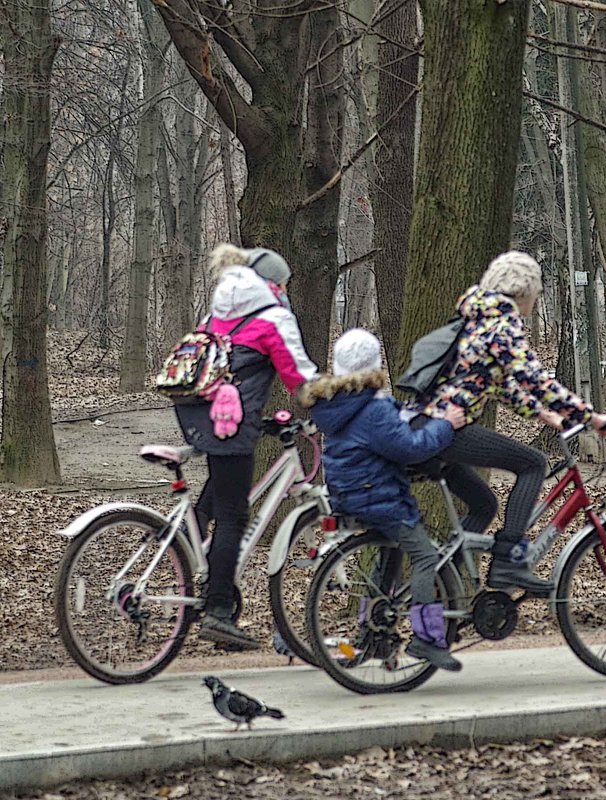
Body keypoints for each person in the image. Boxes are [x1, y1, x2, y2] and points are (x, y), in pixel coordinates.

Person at [413, 251, 606, 597]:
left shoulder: (479, 318)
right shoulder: (502, 324)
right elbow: (534, 378)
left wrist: (542, 413)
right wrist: (590, 417)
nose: (535, 302)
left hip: (427, 425)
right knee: (533, 462)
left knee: (484, 506)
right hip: (447, 430)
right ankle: (509, 559)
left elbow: (495, 382)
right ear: (524, 292)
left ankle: (438, 587)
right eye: (536, 294)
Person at [175, 244, 318, 650]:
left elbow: (227, 368)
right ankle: (218, 610)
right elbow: (301, 380)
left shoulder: (218, 313)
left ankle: (190, 570)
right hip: (230, 426)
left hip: (198, 416)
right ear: (275, 283)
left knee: (213, 502)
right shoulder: (273, 318)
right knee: (234, 517)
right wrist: (339, 404)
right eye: (285, 284)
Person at [300, 329, 466, 671]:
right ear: (376, 366)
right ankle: (428, 638)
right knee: (424, 557)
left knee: (385, 561)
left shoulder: (339, 404)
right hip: (377, 494)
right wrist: (446, 425)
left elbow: (383, 429)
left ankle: (369, 631)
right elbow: (410, 447)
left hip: (350, 492)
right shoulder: (372, 408)